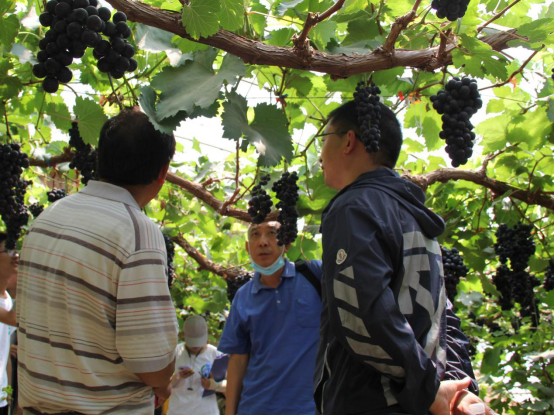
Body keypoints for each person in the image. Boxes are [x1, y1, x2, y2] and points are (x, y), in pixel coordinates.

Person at [314, 99, 492, 415]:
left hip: (369, 402)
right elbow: (443, 316)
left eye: (324, 138)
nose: (319, 154)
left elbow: (360, 314)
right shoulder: (417, 218)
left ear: (349, 141)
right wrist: (456, 389)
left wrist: (428, 389)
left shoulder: (354, 206)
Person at [16, 110, 179, 415]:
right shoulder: (138, 234)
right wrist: (163, 381)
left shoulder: (47, 218)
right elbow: (153, 366)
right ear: (163, 172)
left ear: (100, 157)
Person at [219, 221, 324, 415]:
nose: (263, 242)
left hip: (309, 408)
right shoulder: (243, 296)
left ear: (287, 242)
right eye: (255, 234)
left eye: (272, 233)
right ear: (247, 247)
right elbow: (238, 360)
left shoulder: (315, 275)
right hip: (255, 407)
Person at [166, 315, 226, 415]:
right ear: (184, 336)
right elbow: (162, 386)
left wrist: (215, 385)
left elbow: (231, 384)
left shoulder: (216, 355)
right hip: (177, 411)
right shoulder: (175, 353)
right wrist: (177, 376)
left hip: (207, 412)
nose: (195, 347)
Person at [0, 234, 17, 415]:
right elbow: (13, 319)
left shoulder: (7, 300)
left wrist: (8, 391)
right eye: (9, 250)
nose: (16, 256)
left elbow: (5, 355)